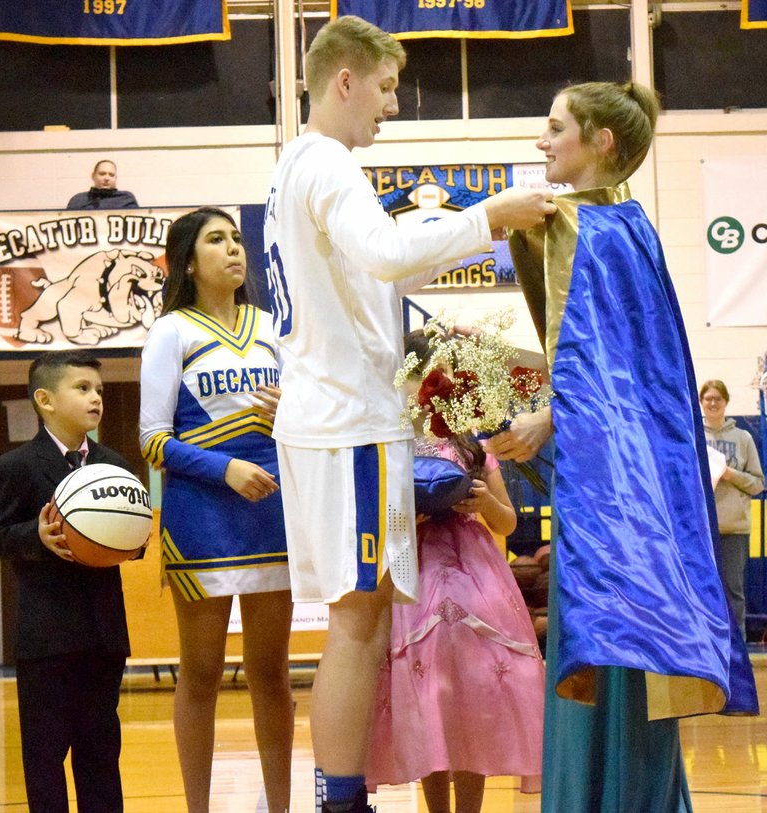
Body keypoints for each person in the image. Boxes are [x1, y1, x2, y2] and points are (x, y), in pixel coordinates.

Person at [262, 15, 555, 813]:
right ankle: (342, 797)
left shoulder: (295, 167)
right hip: (349, 423)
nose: (392, 107)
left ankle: (342, 793)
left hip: (332, 417)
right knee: (357, 623)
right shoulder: (327, 165)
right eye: (387, 87)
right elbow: (389, 254)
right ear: (345, 80)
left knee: (357, 619)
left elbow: (381, 259)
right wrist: (491, 216)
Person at [486, 81, 759, 812]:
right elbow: (608, 367)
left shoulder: (597, 230)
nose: (542, 142)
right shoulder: (628, 227)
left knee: (615, 637)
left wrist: (549, 417)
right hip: (621, 479)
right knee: (621, 643)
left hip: (617, 491)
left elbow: (611, 375)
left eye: (555, 128)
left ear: (601, 141)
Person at [139, 207, 294, 813]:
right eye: (215, 240)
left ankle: (281, 805)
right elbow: (154, 441)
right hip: (201, 515)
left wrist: (294, 412)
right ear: (187, 260)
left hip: (273, 510)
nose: (234, 248)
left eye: (236, 238)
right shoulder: (171, 331)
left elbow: (304, 418)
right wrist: (224, 468)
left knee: (272, 672)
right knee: (201, 671)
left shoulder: (274, 324)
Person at [365, 329, 545, 812]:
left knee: (474, 694)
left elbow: (506, 523)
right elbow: (380, 520)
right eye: (425, 375)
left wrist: (484, 501)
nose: (434, 385)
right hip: (416, 572)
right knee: (429, 696)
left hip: (475, 576)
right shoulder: (393, 442)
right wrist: (409, 513)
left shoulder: (474, 444)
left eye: (442, 373)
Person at [0, 350, 136, 813]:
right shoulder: (13, 468)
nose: (95, 399)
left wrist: (131, 541)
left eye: (100, 391)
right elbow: (1, 538)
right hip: (46, 637)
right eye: (83, 388)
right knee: (45, 755)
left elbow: (135, 536)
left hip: (104, 633)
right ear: (45, 400)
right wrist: (37, 534)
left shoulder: (115, 464)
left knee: (101, 752)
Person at [700, 379, 765, 638]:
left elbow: (758, 485)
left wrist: (729, 474)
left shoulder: (743, 438)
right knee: (702, 588)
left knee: (733, 590)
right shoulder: (692, 436)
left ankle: (735, 647)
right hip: (701, 528)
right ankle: (705, 645)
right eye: (708, 398)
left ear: (726, 402)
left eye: (718, 398)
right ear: (701, 403)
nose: (713, 403)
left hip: (734, 528)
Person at [66, 159, 139, 209]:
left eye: (111, 175)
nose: (107, 178)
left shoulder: (126, 198)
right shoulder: (78, 200)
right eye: (102, 174)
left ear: (115, 178)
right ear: (93, 176)